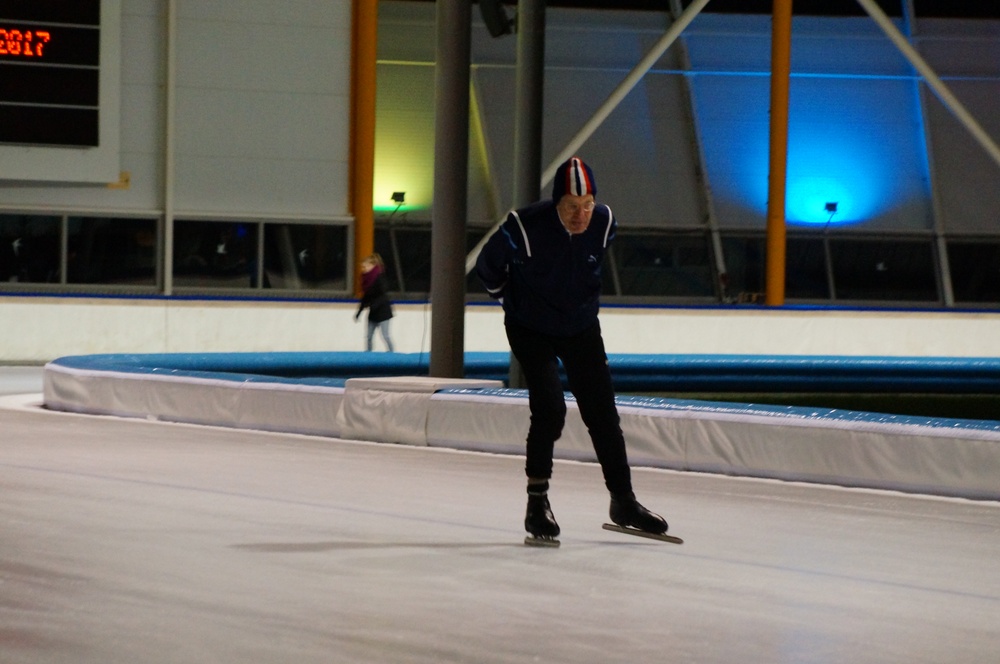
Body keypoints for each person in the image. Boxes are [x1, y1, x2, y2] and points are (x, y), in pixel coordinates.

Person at [476, 156, 669, 544]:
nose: (581, 216)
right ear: (555, 203)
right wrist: (511, 301)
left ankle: (623, 500)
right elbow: (487, 266)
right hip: (530, 327)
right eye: (571, 207)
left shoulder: (605, 222)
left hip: (580, 327)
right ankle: (537, 503)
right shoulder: (523, 226)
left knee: (603, 412)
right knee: (550, 408)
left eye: (587, 205)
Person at [355, 253, 395, 352]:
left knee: (385, 335)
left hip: (383, 312)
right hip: (373, 313)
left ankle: (392, 353)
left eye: (365, 267)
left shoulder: (379, 278)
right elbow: (365, 298)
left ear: (372, 266)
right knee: (369, 336)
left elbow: (383, 294)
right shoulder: (366, 281)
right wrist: (359, 312)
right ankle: (368, 353)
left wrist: (375, 304)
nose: (363, 269)